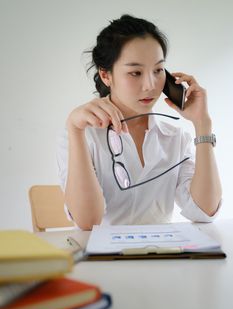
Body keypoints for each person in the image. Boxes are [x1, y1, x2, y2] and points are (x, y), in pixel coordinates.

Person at [57, 14, 222, 230]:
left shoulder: (174, 137)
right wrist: (75, 130)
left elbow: (205, 211)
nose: (150, 85)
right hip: (102, 260)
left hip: (160, 257)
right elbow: (89, 222)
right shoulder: (79, 133)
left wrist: (202, 125)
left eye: (158, 70)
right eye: (135, 72)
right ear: (106, 75)